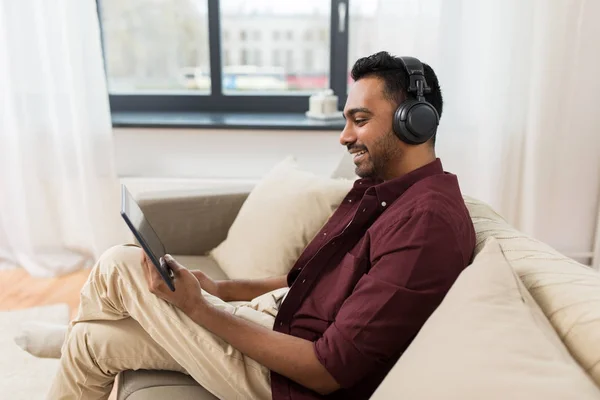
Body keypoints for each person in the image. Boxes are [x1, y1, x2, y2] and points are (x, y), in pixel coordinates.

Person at [47, 51, 475, 400]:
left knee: (120, 265)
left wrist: (197, 307)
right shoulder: (386, 193)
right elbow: (303, 281)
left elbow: (327, 369)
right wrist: (218, 290)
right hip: (279, 324)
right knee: (91, 344)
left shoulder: (426, 224)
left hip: (286, 380)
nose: (344, 136)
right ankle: (76, 336)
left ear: (414, 122)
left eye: (359, 120)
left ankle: (76, 329)